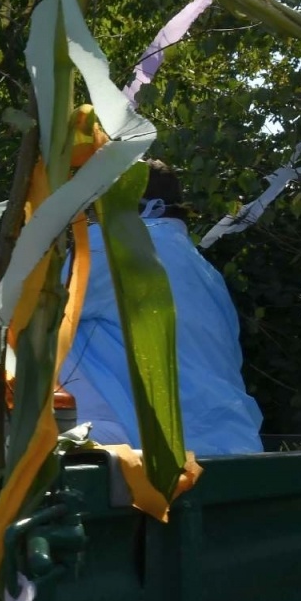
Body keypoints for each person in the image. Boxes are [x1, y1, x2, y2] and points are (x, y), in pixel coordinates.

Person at [59, 159, 264, 455]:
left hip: (137, 445)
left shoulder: (108, 246)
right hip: (231, 442)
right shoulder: (205, 271)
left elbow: (31, 317)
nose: (94, 218)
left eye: (97, 207)